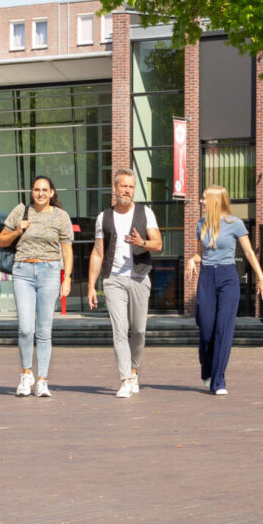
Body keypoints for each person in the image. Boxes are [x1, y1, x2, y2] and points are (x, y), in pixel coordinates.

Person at [87, 168, 162, 398]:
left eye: (131, 187)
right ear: (115, 188)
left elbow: (158, 244)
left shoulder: (145, 212)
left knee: (138, 330)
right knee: (119, 330)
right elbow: (98, 252)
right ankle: (125, 379)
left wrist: (142, 242)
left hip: (139, 276)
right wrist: (91, 286)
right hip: (113, 280)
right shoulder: (104, 217)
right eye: (123, 186)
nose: (127, 190)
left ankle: (134, 369)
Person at [0, 175, 72, 398]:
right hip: (23, 272)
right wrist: (17, 230)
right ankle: (26, 374)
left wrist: (66, 277)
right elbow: (2, 240)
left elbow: (67, 249)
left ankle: (42, 380)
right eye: (36, 189)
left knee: (44, 329)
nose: (40, 193)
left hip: (49, 272)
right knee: (25, 328)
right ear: (32, 192)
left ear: (51, 193)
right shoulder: (20, 211)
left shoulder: (60, 216)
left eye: (44, 190)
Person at [190, 184, 263, 396]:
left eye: (204, 197)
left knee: (223, 330)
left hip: (227, 279)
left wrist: (262, 279)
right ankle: (207, 371)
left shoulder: (235, 224)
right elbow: (201, 254)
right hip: (206, 277)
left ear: (216, 200)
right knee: (206, 330)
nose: (201, 201)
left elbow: (249, 253)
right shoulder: (201, 224)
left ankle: (219, 380)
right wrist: (192, 259)